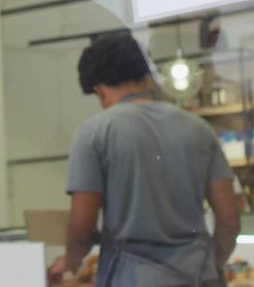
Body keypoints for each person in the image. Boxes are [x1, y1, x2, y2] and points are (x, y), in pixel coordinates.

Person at [48, 33, 240, 286]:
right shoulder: (199, 128)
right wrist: (213, 265)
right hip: (201, 276)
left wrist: (71, 260)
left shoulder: (93, 133)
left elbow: (83, 229)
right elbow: (229, 220)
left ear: (100, 91)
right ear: (143, 77)